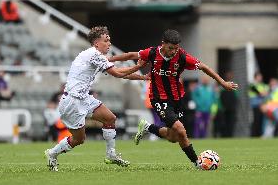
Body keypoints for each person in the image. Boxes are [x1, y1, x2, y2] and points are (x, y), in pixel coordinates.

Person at [109, 29, 238, 168]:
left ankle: (148, 127)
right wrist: (108, 60)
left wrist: (222, 82)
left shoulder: (182, 56)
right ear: (163, 44)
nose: (173, 52)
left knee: (173, 137)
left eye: (176, 48)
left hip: (177, 99)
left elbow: (204, 67)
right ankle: (197, 163)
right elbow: (131, 55)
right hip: (159, 98)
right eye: (171, 48)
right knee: (181, 130)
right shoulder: (152, 53)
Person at [44, 26, 148, 171]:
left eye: (109, 40)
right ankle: (52, 153)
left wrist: (143, 77)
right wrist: (138, 67)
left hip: (83, 98)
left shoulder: (95, 56)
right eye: (106, 40)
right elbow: (118, 73)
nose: (109, 43)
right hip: (72, 101)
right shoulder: (93, 54)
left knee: (110, 118)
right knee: (79, 140)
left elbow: (120, 72)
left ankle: (111, 155)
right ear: (96, 43)